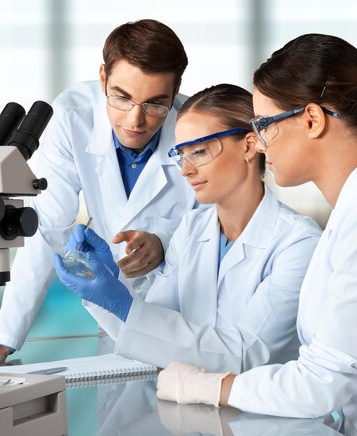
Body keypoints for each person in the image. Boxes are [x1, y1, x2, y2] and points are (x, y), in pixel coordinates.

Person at [156, 34, 357, 434]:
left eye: (264, 125)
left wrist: (210, 386)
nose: (259, 144)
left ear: (312, 120)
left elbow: (322, 383)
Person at [0, 19, 196, 370]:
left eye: (156, 104)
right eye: (121, 98)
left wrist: (165, 242)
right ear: (102, 78)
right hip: (115, 311)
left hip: (190, 311)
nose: (135, 119)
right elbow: (45, 228)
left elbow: (221, 218)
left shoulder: (196, 126)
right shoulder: (72, 115)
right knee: (121, 420)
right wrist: (3, 339)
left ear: (176, 91)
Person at [54, 84, 321, 372]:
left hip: (264, 413)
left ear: (249, 145)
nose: (185, 170)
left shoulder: (298, 242)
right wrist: (109, 287)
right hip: (188, 406)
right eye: (182, 154)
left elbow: (245, 353)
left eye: (200, 151)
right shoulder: (191, 230)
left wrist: (122, 303)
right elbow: (153, 339)